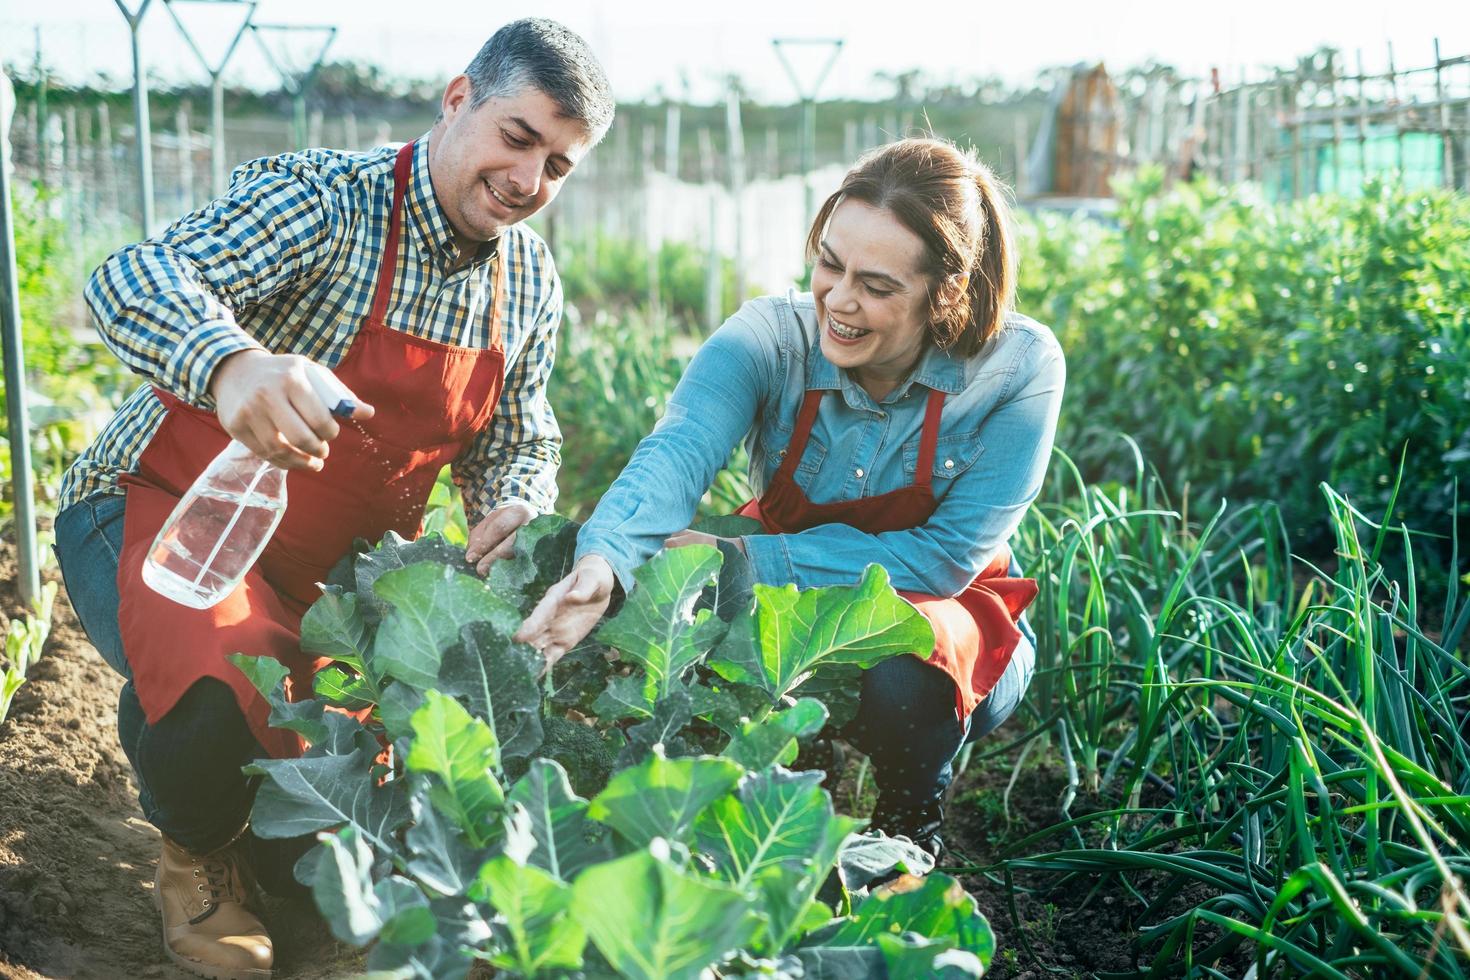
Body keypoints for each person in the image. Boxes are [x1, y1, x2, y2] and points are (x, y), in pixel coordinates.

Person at [52, 18, 612, 979]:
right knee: (214, 701)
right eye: (517, 138)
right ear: (457, 98)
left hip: (329, 587)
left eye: (558, 167)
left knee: (327, 795)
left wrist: (514, 504)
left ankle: (270, 864)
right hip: (165, 514)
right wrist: (229, 365)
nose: (528, 182)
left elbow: (521, 438)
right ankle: (195, 851)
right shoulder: (326, 201)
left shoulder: (528, 286)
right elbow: (133, 276)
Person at [517, 137, 1064, 854]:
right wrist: (605, 560)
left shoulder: (1016, 369)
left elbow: (941, 558)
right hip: (775, 565)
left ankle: (907, 825)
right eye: (829, 264)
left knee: (906, 683)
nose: (838, 300)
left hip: (944, 598)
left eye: (876, 286)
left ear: (946, 293)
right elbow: (677, 453)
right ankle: (794, 774)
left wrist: (742, 561)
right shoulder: (769, 339)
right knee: (685, 643)